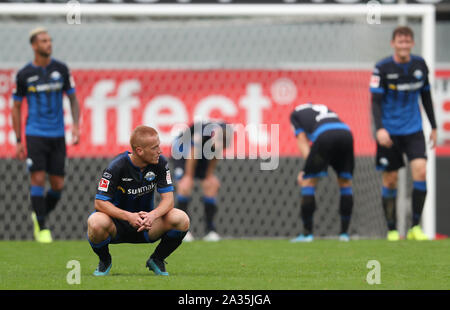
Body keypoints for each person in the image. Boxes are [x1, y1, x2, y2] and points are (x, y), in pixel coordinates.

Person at [87, 125, 190, 276]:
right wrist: (129, 216)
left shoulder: (160, 163)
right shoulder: (116, 167)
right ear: (140, 150)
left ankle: (157, 259)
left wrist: (153, 215)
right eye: (155, 148)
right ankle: (104, 260)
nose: (159, 151)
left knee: (181, 218)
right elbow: (100, 203)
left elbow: (168, 201)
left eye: (159, 146)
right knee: (95, 222)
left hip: (146, 224)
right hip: (117, 226)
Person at [11, 27, 80, 243]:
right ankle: (42, 228)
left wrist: (76, 126)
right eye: (43, 41)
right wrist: (19, 140)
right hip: (35, 133)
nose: (48, 44)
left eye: (49, 40)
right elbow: (16, 107)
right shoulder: (24, 74)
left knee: (58, 185)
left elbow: (73, 99)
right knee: (38, 178)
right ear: (34, 45)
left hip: (58, 135)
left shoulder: (61, 69)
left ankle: (38, 214)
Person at [370, 26, 437, 241]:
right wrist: (379, 128)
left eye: (407, 41)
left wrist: (433, 126)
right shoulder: (381, 68)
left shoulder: (420, 65)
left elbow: (426, 96)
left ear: (412, 44)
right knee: (390, 180)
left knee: (420, 171)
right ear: (393, 43)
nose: (404, 45)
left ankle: (414, 228)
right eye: (400, 41)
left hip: (414, 130)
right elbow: (376, 102)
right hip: (389, 133)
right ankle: (391, 229)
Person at [289, 103, 354, 242]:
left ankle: (307, 235)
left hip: (324, 135)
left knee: (308, 181)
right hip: (346, 134)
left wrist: (307, 169)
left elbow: (302, 140)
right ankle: (344, 234)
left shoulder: (295, 114)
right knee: (345, 182)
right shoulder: (324, 108)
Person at [171, 119, 232, 242]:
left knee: (211, 185)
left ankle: (210, 230)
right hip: (183, 151)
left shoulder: (225, 136)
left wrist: (209, 175)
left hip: (203, 153)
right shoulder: (202, 134)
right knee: (185, 186)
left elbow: (216, 154)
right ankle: (181, 230)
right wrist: (188, 176)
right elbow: (193, 154)